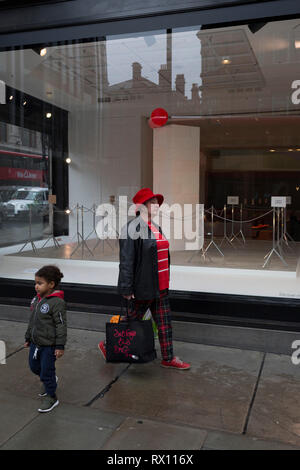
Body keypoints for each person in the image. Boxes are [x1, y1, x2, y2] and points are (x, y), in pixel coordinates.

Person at [99, 188, 190, 370]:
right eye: (152, 202)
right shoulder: (131, 229)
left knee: (165, 324)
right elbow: (126, 261)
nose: (157, 206)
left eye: (157, 202)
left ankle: (168, 357)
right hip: (143, 287)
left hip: (160, 285)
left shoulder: (155, 227)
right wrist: (126, 288)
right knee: (132, 321)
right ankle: (108, 345)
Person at [24, 265, 67, 413]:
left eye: (40, 283)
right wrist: (28, 337)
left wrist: (60, 346)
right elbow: (33, 321)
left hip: (49, 345)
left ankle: (51, 396)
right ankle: (50, 379)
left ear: (51, 284)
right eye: (35, 283)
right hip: (36, 343)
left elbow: (61, 325)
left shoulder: (57, 303)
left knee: (46, 372)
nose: (36, 286)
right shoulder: (37, 299)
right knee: (34, 367)